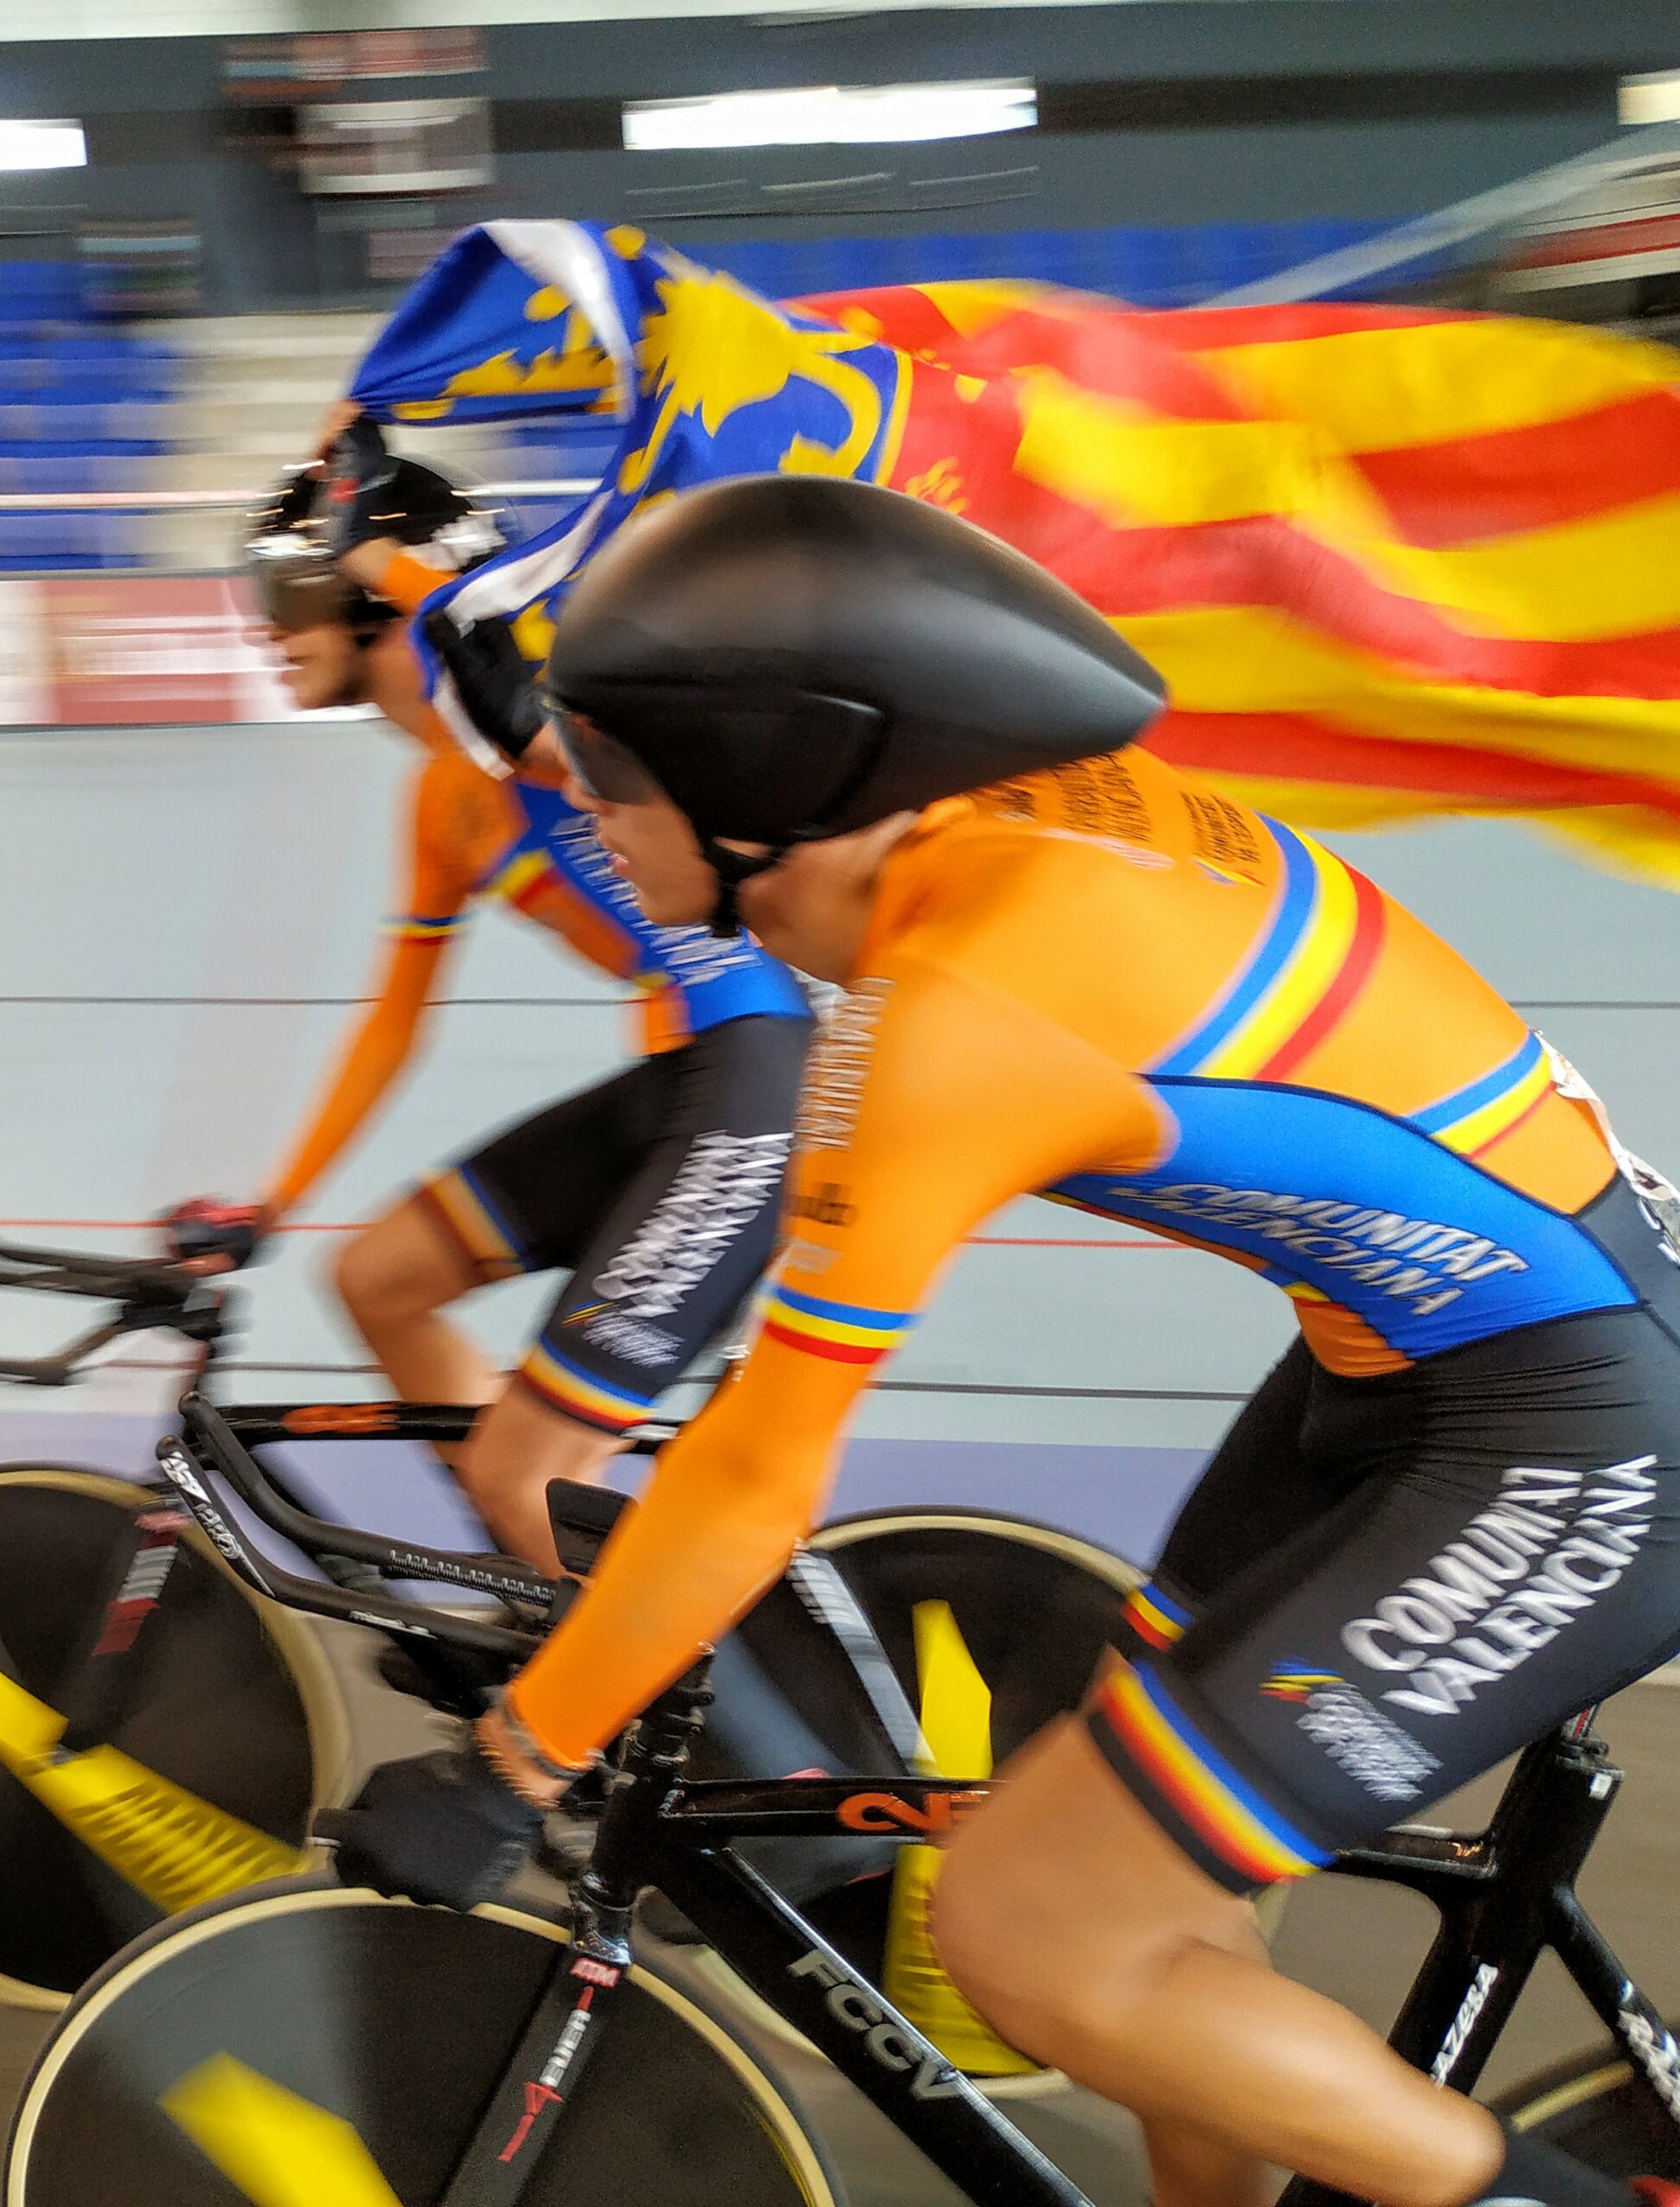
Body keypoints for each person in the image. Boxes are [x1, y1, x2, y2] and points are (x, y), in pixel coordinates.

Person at [329, 473, 1680, 2207]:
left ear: (765, 787)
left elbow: (753, 1481)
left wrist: (510, 1763)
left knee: (1031, 1930)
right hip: (1415, 1373)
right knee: (1124, 1875)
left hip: (1575, 1432)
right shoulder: (965, 832)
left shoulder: (955, 1007)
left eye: (604, 764)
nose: (573, 801)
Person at [183, 426, 814, 1577]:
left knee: (528, 1468)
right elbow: (393, 1024)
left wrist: (379, 552)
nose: (267, 628)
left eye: (292, 594)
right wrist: (271, 1205)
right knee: (375, 1281)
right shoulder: (441, 806)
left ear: (374, 598)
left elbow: (498, 662)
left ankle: (615, 1661)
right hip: (686, 1085)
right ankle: (541, 1588)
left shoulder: (559, 716)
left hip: (753, 1085)